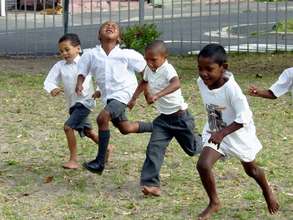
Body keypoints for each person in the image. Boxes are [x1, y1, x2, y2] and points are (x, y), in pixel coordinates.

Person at [196, 44, 279, 220]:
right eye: (200, 69)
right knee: (203, 165)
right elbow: (214, 105)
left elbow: (245, 117)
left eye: (209, 69)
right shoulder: (201, 82)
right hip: (217, 129)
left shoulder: (232, 89)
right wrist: (216, 129)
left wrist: (222, 133)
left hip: (238, 134)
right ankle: (214, 202)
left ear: (223, 67)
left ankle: (266, 189)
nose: (203, 74)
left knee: (252, 170)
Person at [75, 21, 153, 174]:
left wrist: (143, 93)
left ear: (119, 38)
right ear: (99, 35)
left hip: (125, 94)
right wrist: (80, 83)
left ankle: (100, 161)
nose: (110, 26)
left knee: (102, 118)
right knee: (125, 128)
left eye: (114, 27)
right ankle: (161, 127)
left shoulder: (127, 54)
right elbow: (82, 71)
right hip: (108, 97)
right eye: (106, 26)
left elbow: (146, 72)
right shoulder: (91, 54)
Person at [128, 40, 202, 196]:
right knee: (154, 148)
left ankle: (213, 144)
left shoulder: (168, 69)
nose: (150, 63)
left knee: (193, 149)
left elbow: (176, 84)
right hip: (163, 120)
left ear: (164, 57)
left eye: (153, 59)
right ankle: (151, 184)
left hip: (180, 117)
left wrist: (158, 95)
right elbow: (144, 82)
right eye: (146, 59)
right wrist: (134, 98)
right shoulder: (149, 69)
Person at [44, 33, 104, 169]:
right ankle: (107, 148)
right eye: (61, 51)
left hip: (86, 102)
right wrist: (52, 88)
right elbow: (49, 81)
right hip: (72, 104)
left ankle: (73, 160)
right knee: (88, 131)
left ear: (78, 48)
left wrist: (99, 89)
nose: (64, 53)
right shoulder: (60, 66)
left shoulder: (87, 62)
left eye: (67, 49)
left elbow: (100, 75)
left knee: (68, 127)